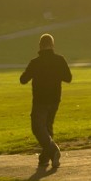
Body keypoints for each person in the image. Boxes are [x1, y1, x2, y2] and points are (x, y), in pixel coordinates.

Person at [20, 33, 73, 173]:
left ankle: (54, 150)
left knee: (37, 127)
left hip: (40, 99)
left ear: (40, 46)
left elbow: (23, 79)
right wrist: (56, 74)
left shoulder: (35, 62)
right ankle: (45, 158)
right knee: (48, 128)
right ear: (52, 45)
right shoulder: (59, 60)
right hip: (55, 99)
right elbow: (68, 77)